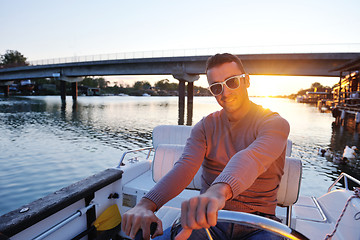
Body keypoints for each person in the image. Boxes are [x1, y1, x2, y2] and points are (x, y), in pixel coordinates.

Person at [121, 53, 290, 240]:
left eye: (232, 82)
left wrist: (217, 192)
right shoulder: (205, 126)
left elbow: (251, 158)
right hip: (209, 221)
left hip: (259, 225)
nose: (225, 93)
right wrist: (146, 204)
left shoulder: (274, 124)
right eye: (216, 87)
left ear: (246, 80)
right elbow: (185, 167)